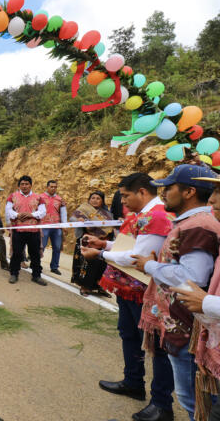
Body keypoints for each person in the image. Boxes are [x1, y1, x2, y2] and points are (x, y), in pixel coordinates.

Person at [81, 173, 175, 421]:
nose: (123, 202)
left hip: (145, 289)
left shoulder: (155, 216)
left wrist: (100, 255)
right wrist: (104, 245)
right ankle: (133, 381)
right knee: (129, 334)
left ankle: (161, 403)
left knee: (157, 347)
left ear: (142, 192)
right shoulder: (142, 216)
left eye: (125, 196)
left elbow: (137, 258)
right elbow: (132, 247)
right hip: (129, 287)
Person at [132, 164, 220, 419]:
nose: (163, 194)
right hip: (183, 323)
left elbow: (192, 278)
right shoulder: (193, 223)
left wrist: (150, 265)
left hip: (185, 325)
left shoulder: (199, 225)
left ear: (189, 192)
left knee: (195, 402)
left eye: (169, 188)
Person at [171, 174, 220, 421]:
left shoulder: (199, 226)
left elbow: (194, 278)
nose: (212, 200)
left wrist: (206, 302)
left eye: (219, 193)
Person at [5, 175, 47, 286]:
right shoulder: (12, 196)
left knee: (35, 254)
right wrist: (17, 215)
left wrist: (31, 215)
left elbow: (43, 212)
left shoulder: (39, 197)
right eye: (22, 184)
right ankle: (14, 274)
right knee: (17, 253)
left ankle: (36, 275)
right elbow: (8, 211)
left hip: (34, 231)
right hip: (18, 230)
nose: (24, 186)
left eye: (26, 184)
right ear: (19, 186)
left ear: (31, 185)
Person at [70, 191, 114, 297]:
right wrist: (78, 220)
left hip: (102, 243)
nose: (95, 200)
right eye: (93, 198)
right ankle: (84, 286)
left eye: (98, 198)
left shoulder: (108, 214)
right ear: (89, 199)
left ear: (102, 201)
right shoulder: (83, 209)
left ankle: (99, 286)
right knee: (87, 264)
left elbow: (111, 227)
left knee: (102, 265)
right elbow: (72, 218)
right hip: (87, 241)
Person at [39, 180, 67, 276]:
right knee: (41, 246)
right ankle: (36, 264)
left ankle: (54, 267)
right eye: (51, 187)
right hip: (44, 226)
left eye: (55, 187)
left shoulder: (60, 199)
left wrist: (64, 225)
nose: (53, 188)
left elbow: (63, 213)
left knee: (57, 247)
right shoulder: (40, 198)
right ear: (47, 187)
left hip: (56, 226)